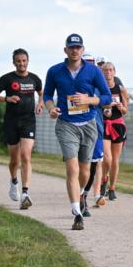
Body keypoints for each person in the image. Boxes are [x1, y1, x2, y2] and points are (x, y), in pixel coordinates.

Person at [42, 34, 111, 230]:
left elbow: (106, 97)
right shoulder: (55, 71)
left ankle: (80, 194)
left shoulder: (93, 71)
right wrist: (50, 108)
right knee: (72, 169)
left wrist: (89, 100)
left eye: (78, 47)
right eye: (71, 47)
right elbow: (47, 94)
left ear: (82, 49)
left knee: (85, 170)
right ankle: (77, 212)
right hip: (66, 124)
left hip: (88, 124)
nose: (75, 50)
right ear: (65, 50)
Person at [0, 48, 44, 209]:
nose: (22, 63)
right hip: (11, 121)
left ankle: (25, 193)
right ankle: (14, 180)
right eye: (18, 61)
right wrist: (7, 98)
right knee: (14, 160)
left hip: (28, 120)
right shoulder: (7, 79)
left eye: (24, 60)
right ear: (14, 62)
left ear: (28, 61)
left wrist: (40, 103)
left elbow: (42, 93)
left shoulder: (35, 78)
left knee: (25, 156)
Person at [79, 52, 106, 216]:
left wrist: (106, 105)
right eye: (85, 63)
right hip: (77, 129)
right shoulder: (74, 82)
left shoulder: (99, 82)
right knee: (79, 168)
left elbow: (106, 98)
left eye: (91, 63)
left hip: (96, 130)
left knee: (94, 166)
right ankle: (80, 200)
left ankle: (85, 195)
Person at [100, 60, 129, 201]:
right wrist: (108, 108)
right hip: (105, 124)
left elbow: (125, 110)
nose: (108, 72)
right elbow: (103, 110)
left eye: (110, 70)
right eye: (105, 70)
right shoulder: (100, 89)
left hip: (118, 125)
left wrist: (119, 106)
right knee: (107, 158)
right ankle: (103, 179)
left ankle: (112, 188)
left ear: (114, 72)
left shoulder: (120, 88)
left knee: (115, 160)